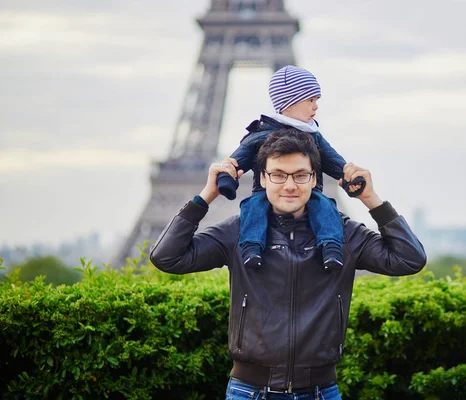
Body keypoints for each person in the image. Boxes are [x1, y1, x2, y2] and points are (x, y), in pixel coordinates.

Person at [150, 129, 427, 399]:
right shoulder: (241, 231)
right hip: (249, 391)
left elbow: (409, 259)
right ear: (263, 178)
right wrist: (206, 196)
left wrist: (370, 199)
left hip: (320, 390)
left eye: (300, 175)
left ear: (314, 178)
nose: (290, 185)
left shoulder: (344, 235)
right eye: (279, 175)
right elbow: (167, 256)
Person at [216, 65, 365, 272]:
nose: (316, 107)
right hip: (265, 191)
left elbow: (333, 160)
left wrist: (347, 175)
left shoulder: (313, 135)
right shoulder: (260, 135)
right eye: (310, 100)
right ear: (290, 103)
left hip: (308, 190)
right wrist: (226, 178)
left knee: (326, 207)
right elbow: (236, 161)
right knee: (253, 208)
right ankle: (251, 248)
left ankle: (331, 247)